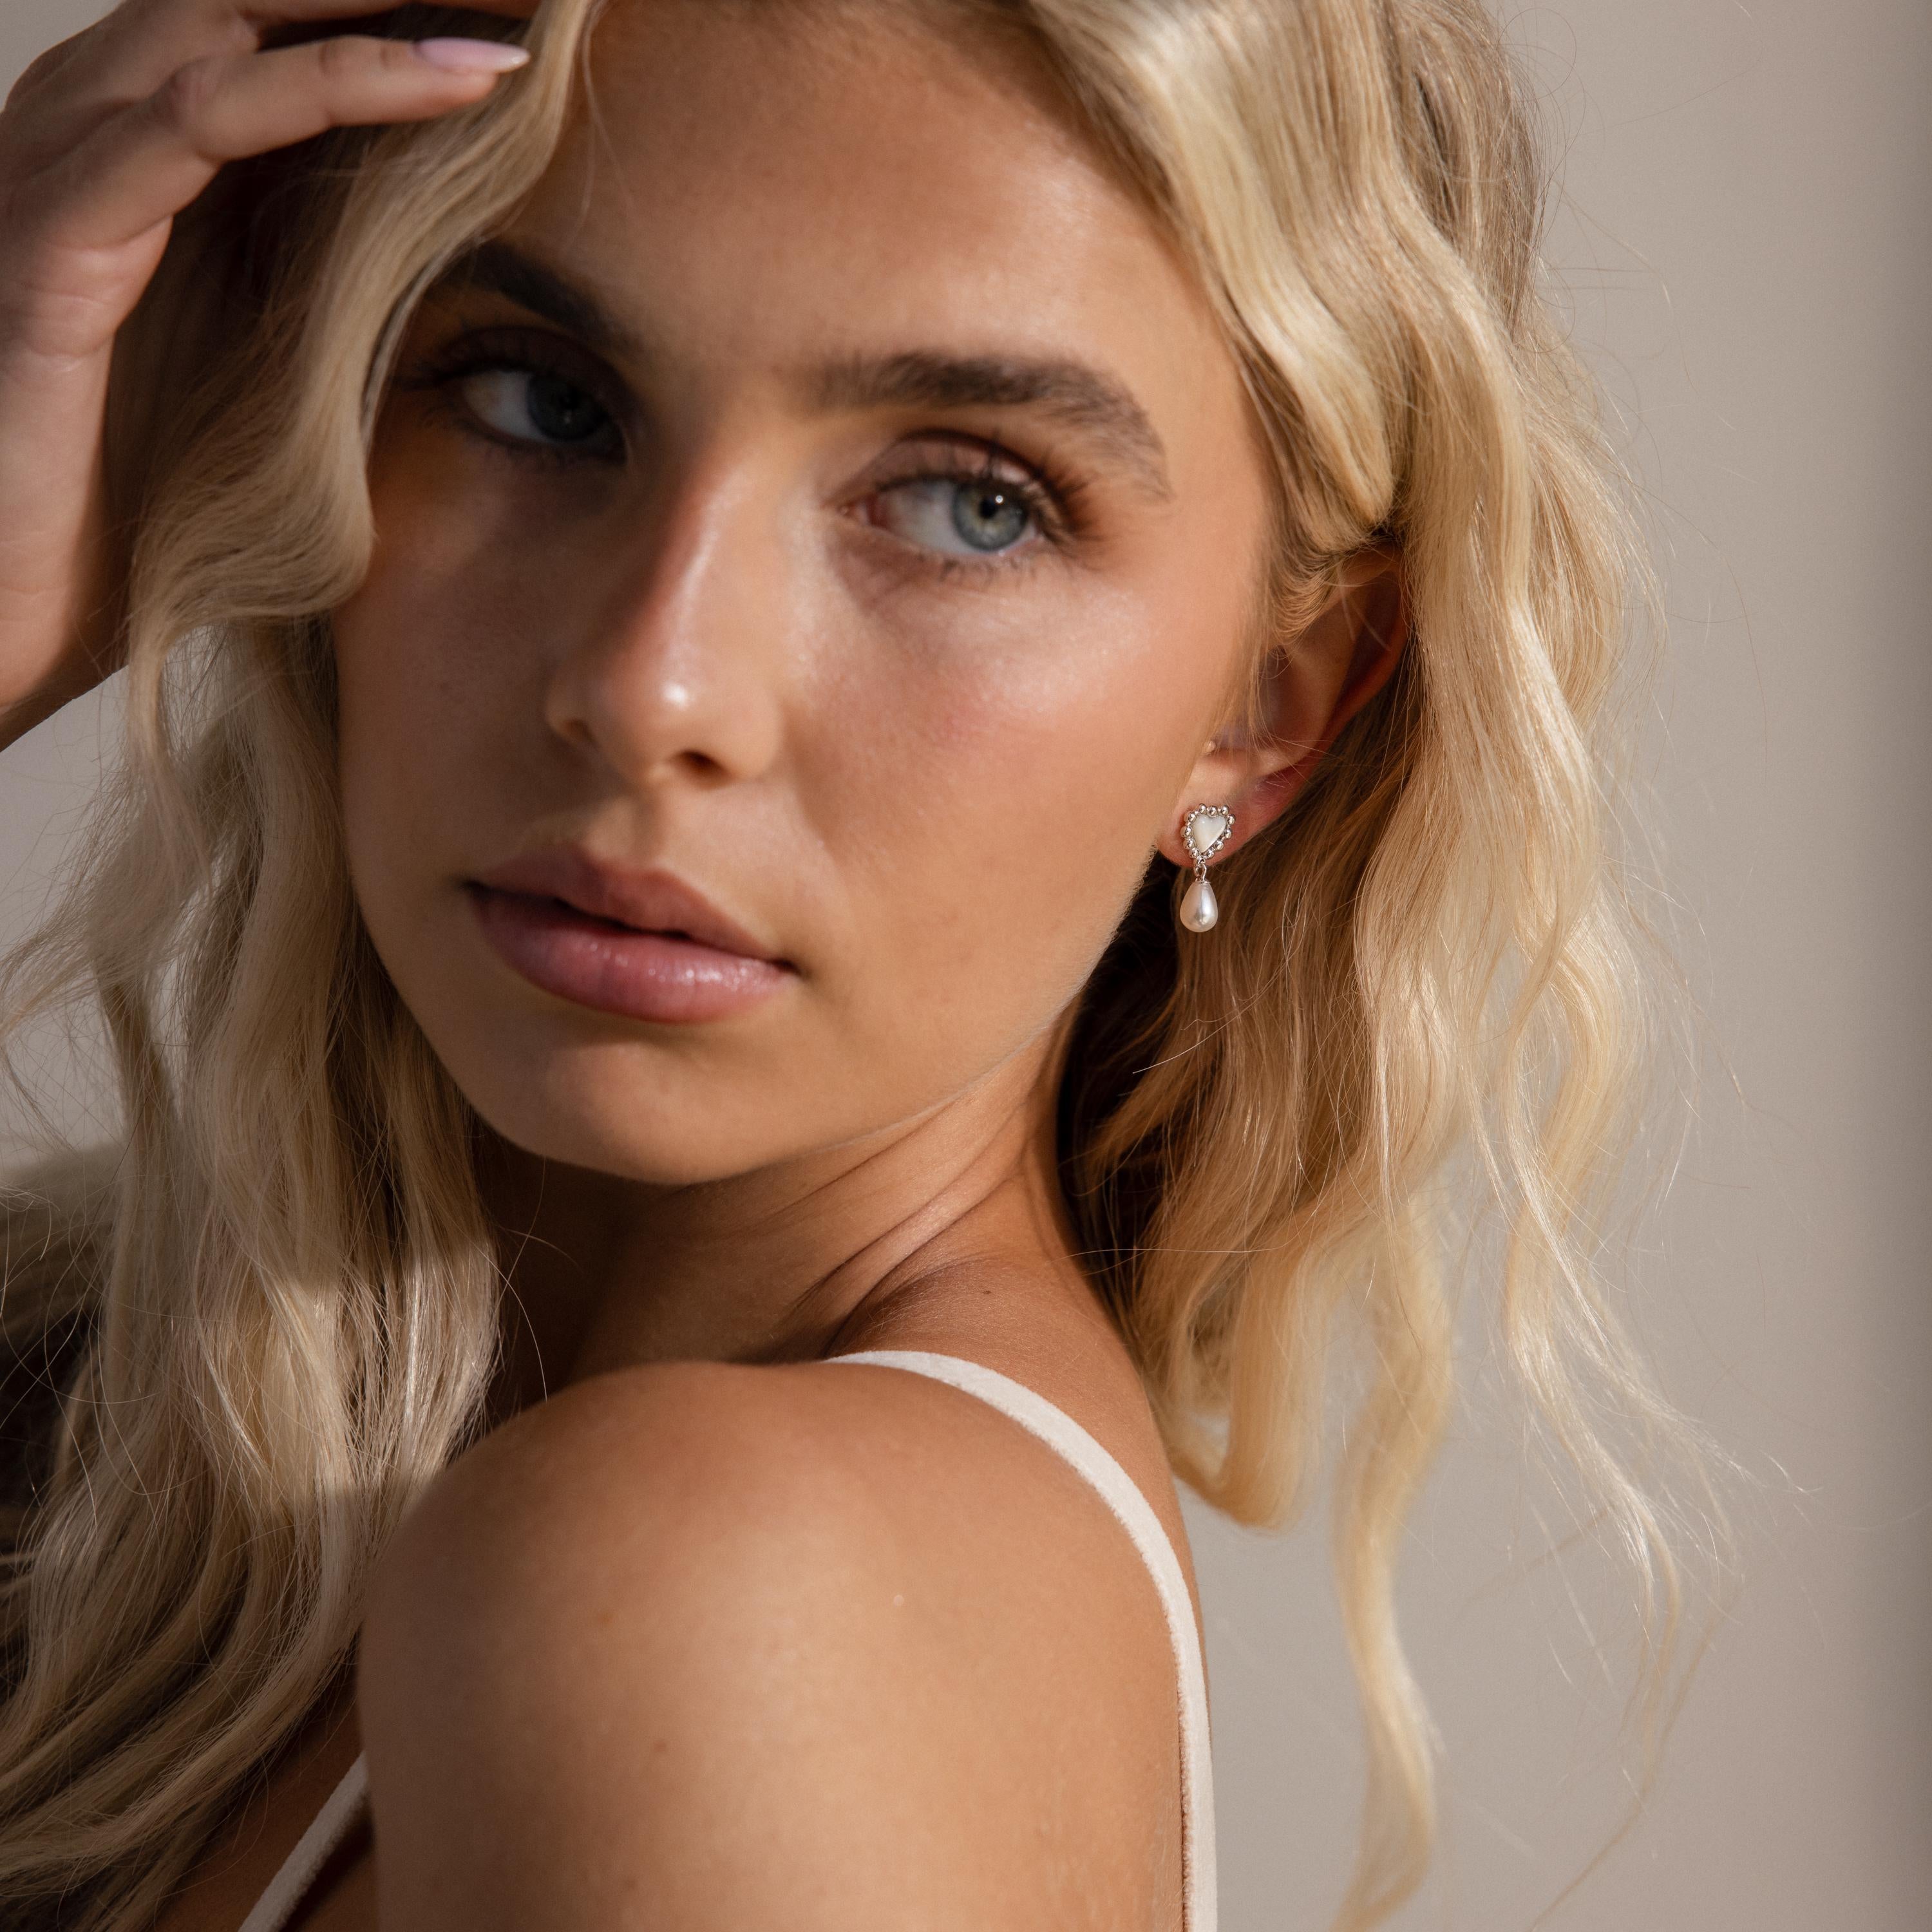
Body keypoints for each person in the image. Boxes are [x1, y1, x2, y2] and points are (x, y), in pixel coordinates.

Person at [0, 1, 1703, 1926]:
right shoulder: (100, 1432)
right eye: (544, 398)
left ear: (1265, 713)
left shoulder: (700, 1601)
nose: (651, 690)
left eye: (972, 501)